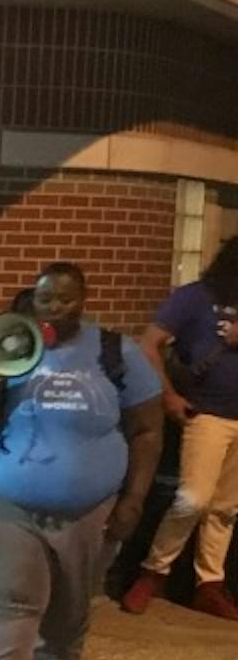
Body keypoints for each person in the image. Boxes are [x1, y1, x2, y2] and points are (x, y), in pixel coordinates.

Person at [0, 263, 162, 660]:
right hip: (10, 503)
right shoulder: (4, 341)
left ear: (83, 301)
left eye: (66, 300)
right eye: (47, 299)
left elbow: (148, 431)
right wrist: (1, 375)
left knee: (68, 609)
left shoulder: (114, 351)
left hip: (90, 510)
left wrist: (134, 500)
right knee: (10, 604)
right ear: (34, 299)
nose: (55, 309)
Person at [121, 236, 238, 620]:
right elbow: (150, 343)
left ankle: (210, 582)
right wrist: (168, 395)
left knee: (226, 507)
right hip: (208, 413)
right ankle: (154, 571)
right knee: (193, 499)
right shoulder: (196, 297)